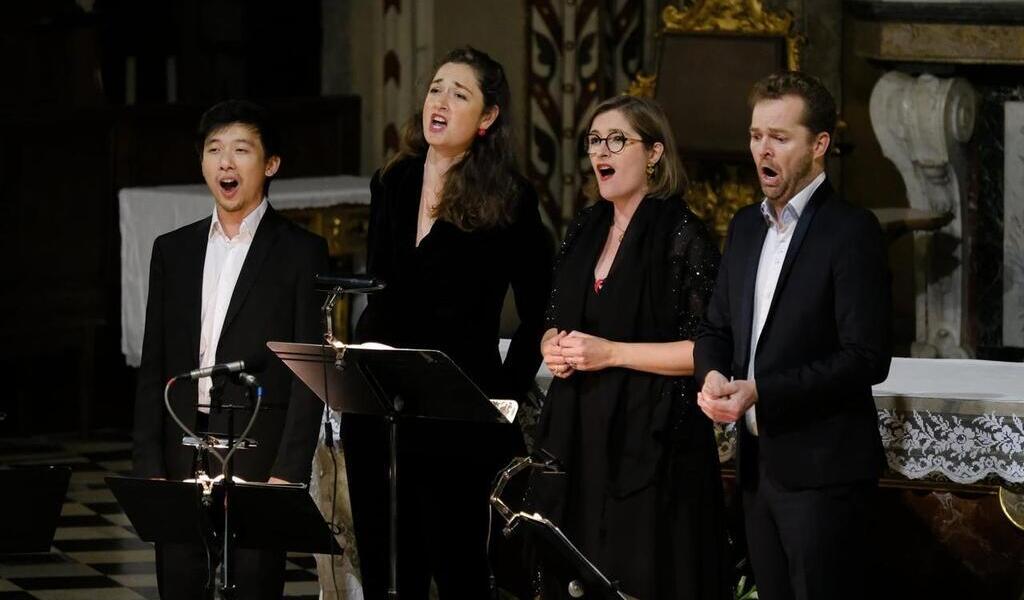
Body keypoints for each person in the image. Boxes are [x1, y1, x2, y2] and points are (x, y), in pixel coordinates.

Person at [346, 46, 552, 598]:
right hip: (379, 408)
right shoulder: (392, 180)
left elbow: (541, 310)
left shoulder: (510, 197)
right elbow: (381, 291)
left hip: (457, 415)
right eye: (436, 88)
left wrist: (503, 394)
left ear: (487, 119)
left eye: (459, 94)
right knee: (387, 570)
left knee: (457, 567)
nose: (440, 101)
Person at [694, 71, 892, 600]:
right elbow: (715, 327)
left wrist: (762, 389)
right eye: (756, 135)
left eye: (780, 137)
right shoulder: (744, 226)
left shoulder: (851, 231)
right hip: (757, 470)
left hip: (823, 474)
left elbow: (866, 358)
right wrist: (712, 374)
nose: (763, 149)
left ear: (819, 145)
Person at [532, 95, 732, 599]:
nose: (602, 150)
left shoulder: (682, 235)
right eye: (595, 140)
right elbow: (553, 321)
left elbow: (703, 348)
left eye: (617, 139)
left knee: (643, 574)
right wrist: (551, 346)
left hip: (653, 440)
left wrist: (612, 353)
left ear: (654, 153)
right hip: (581, 431)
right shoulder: (583, 228)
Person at [132, 99, 329, 600]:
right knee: (180, 585)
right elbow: (153, 365)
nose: (226, 162)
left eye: (241, 150)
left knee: (254, 587)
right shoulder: (172, 250)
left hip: (258, 451)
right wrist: (150, 463)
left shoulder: (300, 252)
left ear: (270, 165)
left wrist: (290, 471)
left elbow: (309, 372)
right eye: (214, 149)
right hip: (182, 446)